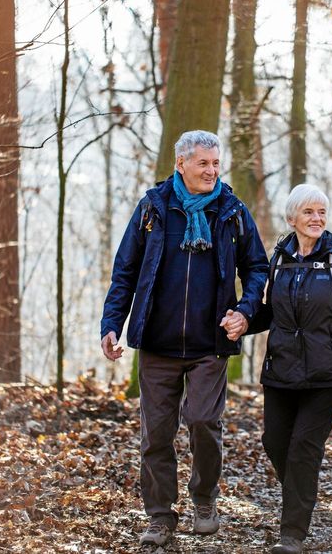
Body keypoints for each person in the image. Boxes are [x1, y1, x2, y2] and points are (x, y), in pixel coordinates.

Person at [100, 130, 269, 547]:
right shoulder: (153, 209)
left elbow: (257, 268)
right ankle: (160, 515)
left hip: (209, 345)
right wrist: (111, 324)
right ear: (181, 165)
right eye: (203, 164)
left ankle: (205, 500)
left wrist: (245, 312)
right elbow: (125, 270)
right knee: (156, 434)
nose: (212, 171)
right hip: (157, 345)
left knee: (203, 423)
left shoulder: (231, 212)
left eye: (216, 164)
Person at [223, 183, 332, 554]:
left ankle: (291, 533)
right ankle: (302, 494)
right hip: (282, 371)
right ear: (292, 218)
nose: (317, 219)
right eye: (309, 212)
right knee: (275, 442)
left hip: (328, 376)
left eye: (322, 212)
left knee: (303, 449)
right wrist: (244, 320)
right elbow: (271, 312)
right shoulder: (278, 259)